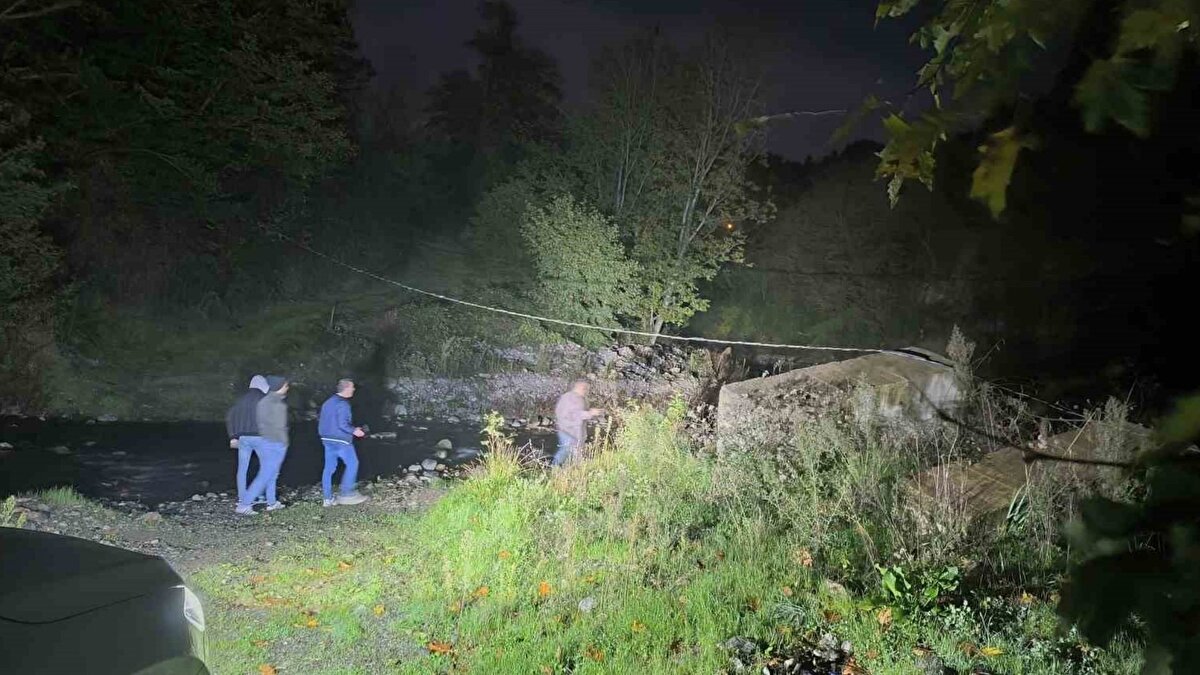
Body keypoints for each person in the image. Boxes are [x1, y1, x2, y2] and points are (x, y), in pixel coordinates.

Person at [237, 375, 290, 514]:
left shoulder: (262, 401)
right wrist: (283, 443)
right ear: (279, 386)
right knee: (266, 475)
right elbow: (279, 427)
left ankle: (270, 502)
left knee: (269, 473)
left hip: (264, 440)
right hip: (275, 443)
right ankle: (245, 504)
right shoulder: (276, 404)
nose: (287, 387)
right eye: (285, 385)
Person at [318, 378, 368, 507]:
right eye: (352, 387)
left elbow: (324, 421)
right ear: (346, 388)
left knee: (328, 469)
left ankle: (327, 499)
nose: (354, 389)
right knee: (352, 463)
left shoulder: (328, 402)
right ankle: (347, 494)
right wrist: (355, 431)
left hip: (327, 439)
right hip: (341, 440)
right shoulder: (343, 404)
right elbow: (342, 424)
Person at [225, 375, 269, 504]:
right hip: (261, 437)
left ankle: (242, 498)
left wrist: (233, 436)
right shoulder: (264, 399)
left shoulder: (240, 400)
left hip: (243, 438)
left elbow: (230, 417)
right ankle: (261, 496)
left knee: (242, 469)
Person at [552, 379, 603, 467]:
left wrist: (593, 413)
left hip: (576, 433)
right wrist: (589, 413)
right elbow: (572, 414)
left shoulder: (582, 398)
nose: (587, 391)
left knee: (569, 452)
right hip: (567, 431)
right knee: (569, 452)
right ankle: (555, 467)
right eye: (585, 388)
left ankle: (564, 469)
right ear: (578, 386)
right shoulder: (569, 398)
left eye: (587, 389)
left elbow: (582, 414)